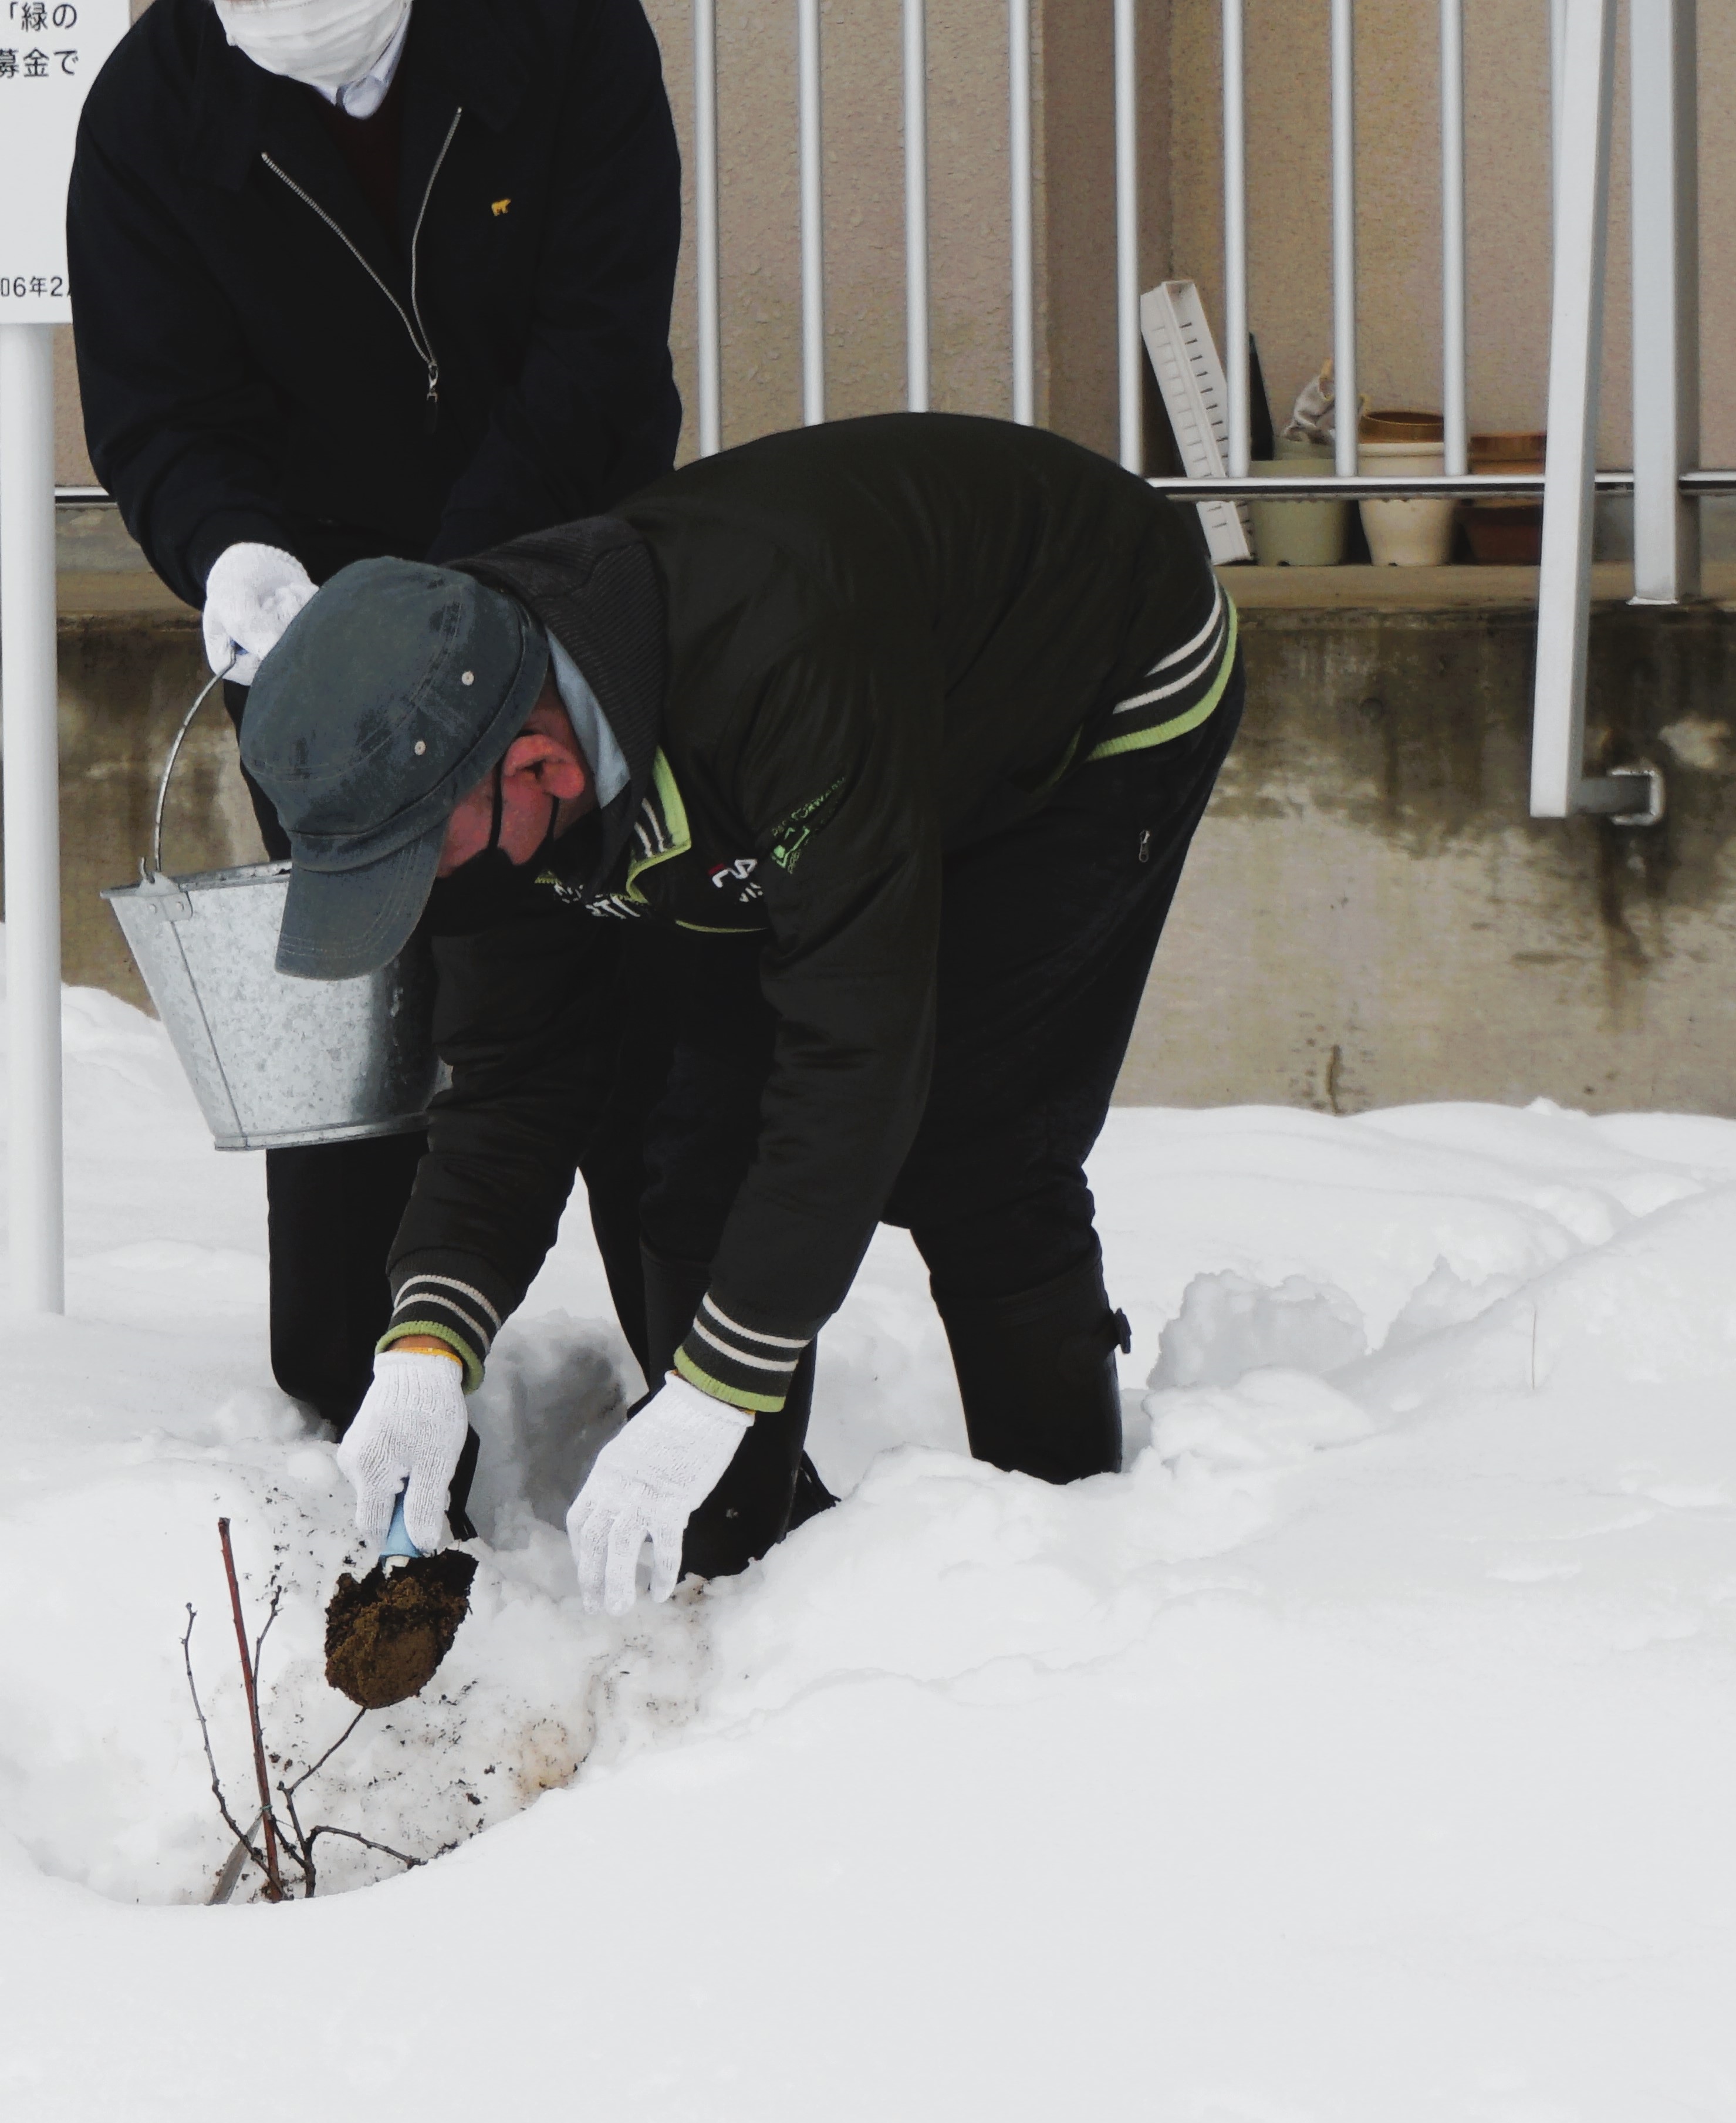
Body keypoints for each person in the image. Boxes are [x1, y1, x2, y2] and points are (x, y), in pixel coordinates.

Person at [236, 414, 1243, 1611]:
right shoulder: (469, 754)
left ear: (539, 770)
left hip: (1090, 685)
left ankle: (1071, 1546)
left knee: (976, 1138)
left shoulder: (775, 669)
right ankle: (725, 1569)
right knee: (696, 1124)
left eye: (415, 862)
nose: (423, 893)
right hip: (835, 744)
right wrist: (425, 1341)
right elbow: (514, 1080)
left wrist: (712, 1390)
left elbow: (855, 1052)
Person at [66, 0, 687, 1450]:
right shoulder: (158, 107)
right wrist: (228, 548)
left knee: (617, 982)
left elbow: (598, 345)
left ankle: (695, 1359)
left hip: (561, 597)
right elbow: (158, 410)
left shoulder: (563, 33)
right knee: (358, 998)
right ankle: (361, 1380)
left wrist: (456, 597)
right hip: (324, 644)